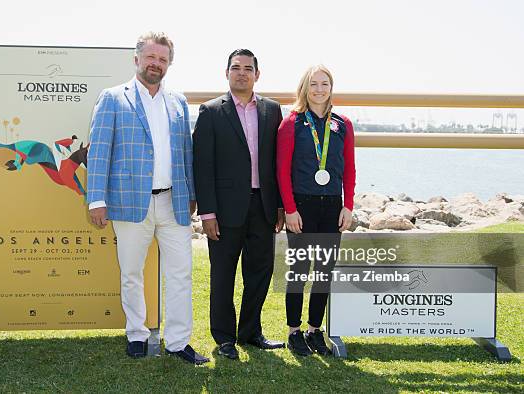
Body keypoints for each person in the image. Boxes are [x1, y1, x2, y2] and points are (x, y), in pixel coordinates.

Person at [86, 32, 208, 365]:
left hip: (174, 202)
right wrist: (96, 198)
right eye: (151, 58)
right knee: (131, 273)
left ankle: (178, 342)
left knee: (181, 273)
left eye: (163, 60)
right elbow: (99, 152)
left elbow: (186, 151)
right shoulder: (112, 98)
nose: (156, 64)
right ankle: (136, 334)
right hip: (128, 202)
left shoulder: (178, 102)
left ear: (169, 64)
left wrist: (193, 195)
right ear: (137, 59)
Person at [193, 49, 285, 360]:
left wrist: (281, 207)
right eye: (236, 68)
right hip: (223, 210)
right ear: (227, 73)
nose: (242, 73)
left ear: (257, 74)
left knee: (259, 273)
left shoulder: (272, 110)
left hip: (263, 205)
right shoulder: (210, 111)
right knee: (222, 275)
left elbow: (277, 162)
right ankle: (224, 338)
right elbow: (202, 166)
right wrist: (207, 212)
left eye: (248, 68)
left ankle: (250, 332)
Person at [276, 65, 356, 356]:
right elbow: (282, 172)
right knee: (298, 271)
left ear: (331, 88)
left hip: (332, 206)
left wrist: (348, 205)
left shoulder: (342, 123)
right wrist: (290, 210)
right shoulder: (292, 123)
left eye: (325, 83)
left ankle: (314, 330)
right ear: (305, 88)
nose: (319, 89)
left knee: (324, 272)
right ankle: (294, 331)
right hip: (301, 206)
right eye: (314, 84)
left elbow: (349, 168)